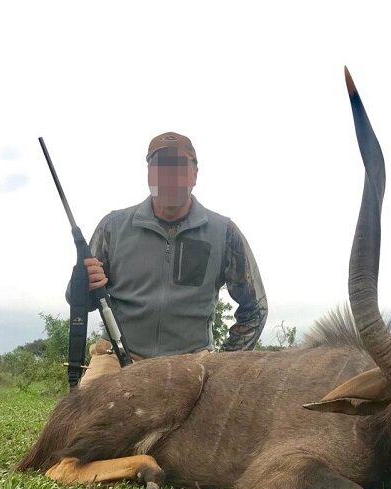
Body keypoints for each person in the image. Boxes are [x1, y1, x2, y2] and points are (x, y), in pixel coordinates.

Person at [74, 132, 267, 388]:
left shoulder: (224, 232)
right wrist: (82, 283)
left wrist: (225, 365)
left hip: (191, 364)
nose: (169, 178)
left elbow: (255, 309)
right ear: (149, 174)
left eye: (178, 167)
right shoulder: (113, 227)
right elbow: (80, 301)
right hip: (116, 358)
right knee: (80, 422)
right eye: (160, 168)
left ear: (195, 174)